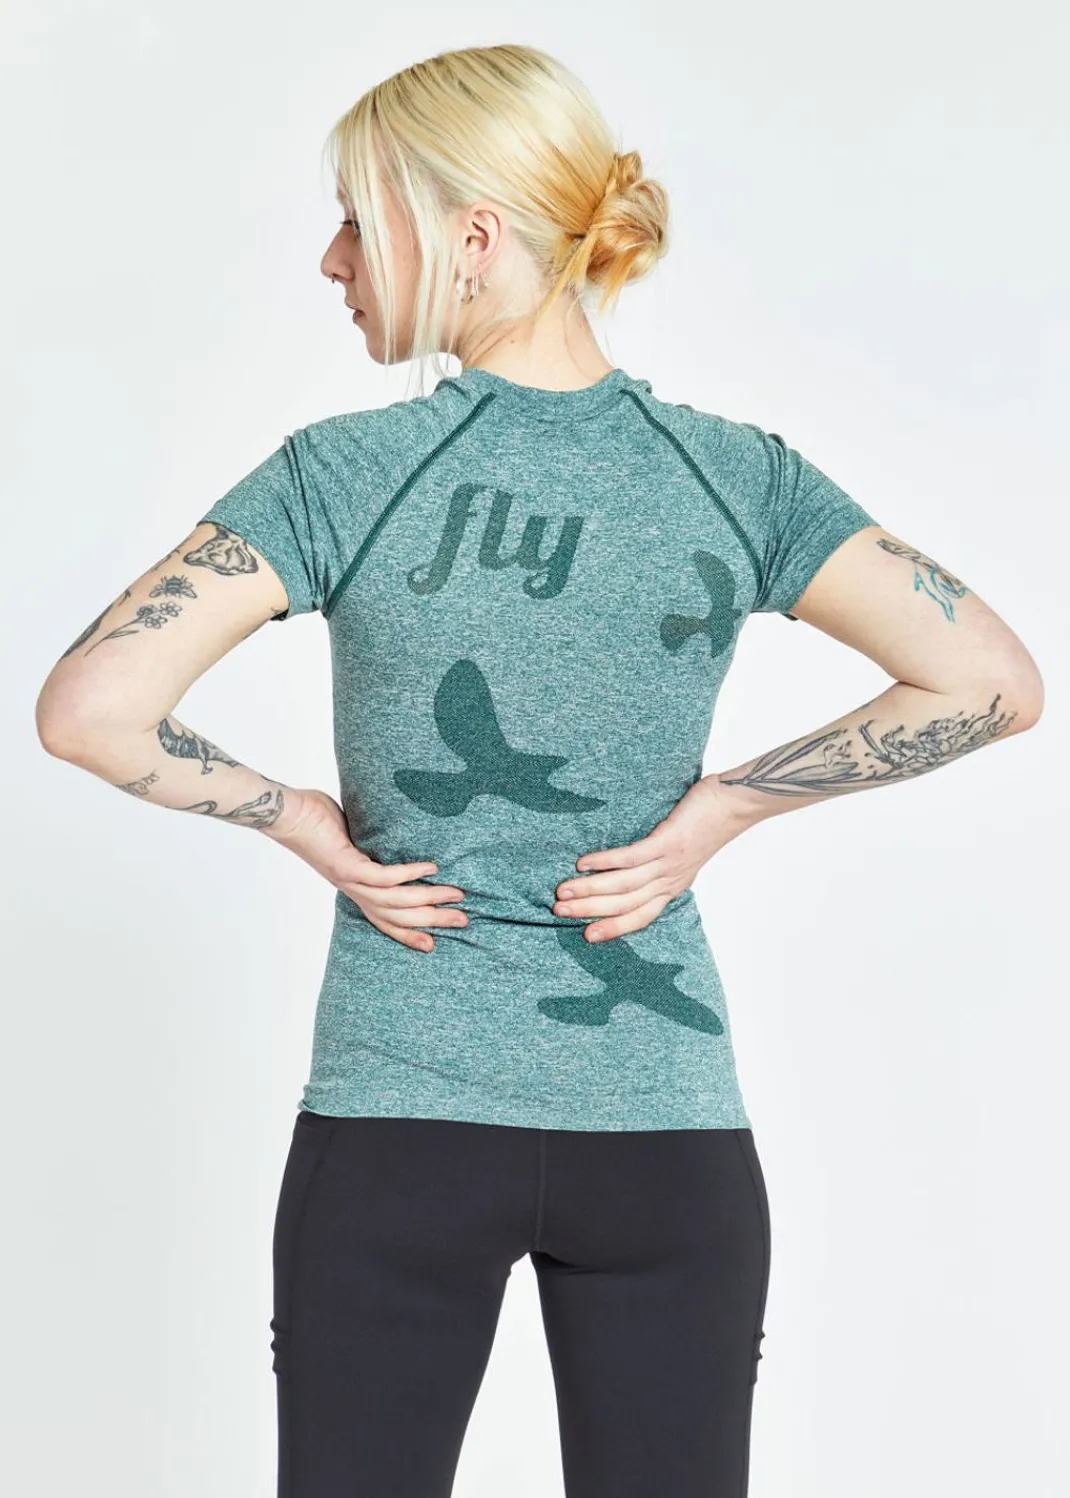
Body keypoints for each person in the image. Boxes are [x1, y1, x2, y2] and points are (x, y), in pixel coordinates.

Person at [36, 41, 1044, 1498]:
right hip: (664, 1134)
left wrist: (298, 819)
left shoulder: (339, 474)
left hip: (399, 1116)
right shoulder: (736, 476)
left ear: (472, 235)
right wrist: (723, 808)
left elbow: (89, 711)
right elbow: (994, 681)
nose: (331, 260)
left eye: (355, 218)